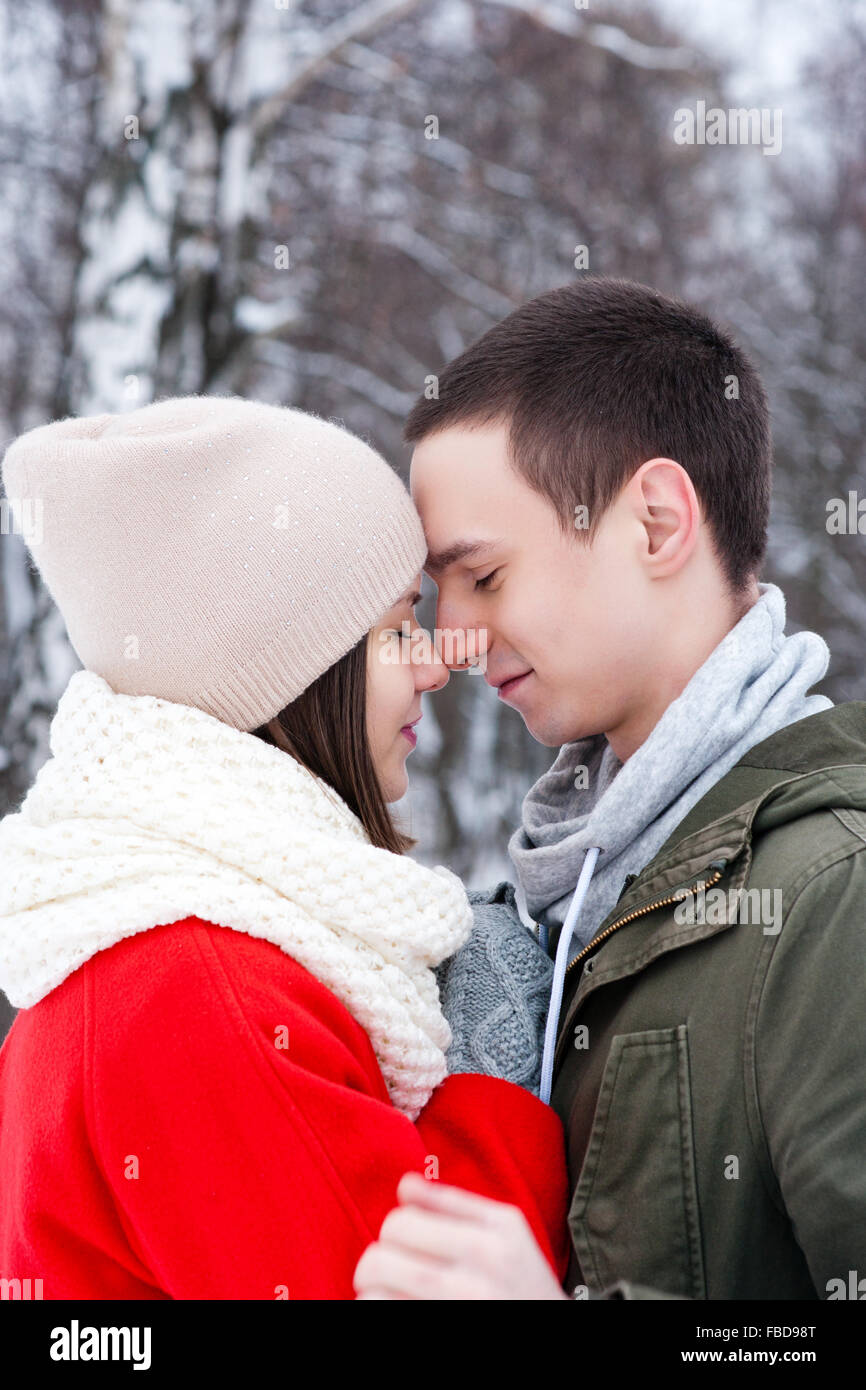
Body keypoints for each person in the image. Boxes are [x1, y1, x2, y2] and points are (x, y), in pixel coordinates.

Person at [354, 276, 866, 1302]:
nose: (449, 640)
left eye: (484, 578)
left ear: (654, 523)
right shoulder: (569, 890)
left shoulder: (830, 897)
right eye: (433, 591)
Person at [0, 395, 569, 1300]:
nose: (434, 663)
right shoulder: (196, 991)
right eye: (395, 628)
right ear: (297, 672)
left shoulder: (155, 943)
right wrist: (499, 1092)